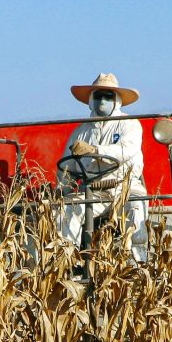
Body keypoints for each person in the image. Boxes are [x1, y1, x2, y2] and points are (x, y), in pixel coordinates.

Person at [57, 73, 148, 262]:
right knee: (68, 209)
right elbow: (66, 166)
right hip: (93, 191)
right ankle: (65, 266)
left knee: (137, 209)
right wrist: (61, 190)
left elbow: (126, 150)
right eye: (99, 96)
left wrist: (94, 150)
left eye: (108, 96)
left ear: (117, 100)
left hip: (126, 187)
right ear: (91, 100)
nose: (103, 101)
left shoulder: (130, 124)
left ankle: (138, 266)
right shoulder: (81, 131)